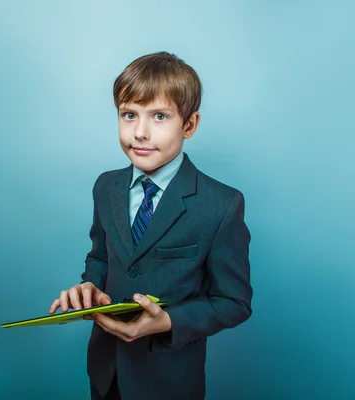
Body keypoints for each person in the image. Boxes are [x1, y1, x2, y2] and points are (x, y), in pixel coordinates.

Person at [48, 51, 253, 400]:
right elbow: (101, 258)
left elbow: (233, 302)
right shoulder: (105, 187)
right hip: (106, 370)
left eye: (159, 116)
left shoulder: (220, 204)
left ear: (189, 125)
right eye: (129, 115)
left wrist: (168, 323)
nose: (140, 132)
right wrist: (89, 289)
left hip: (168, 381)